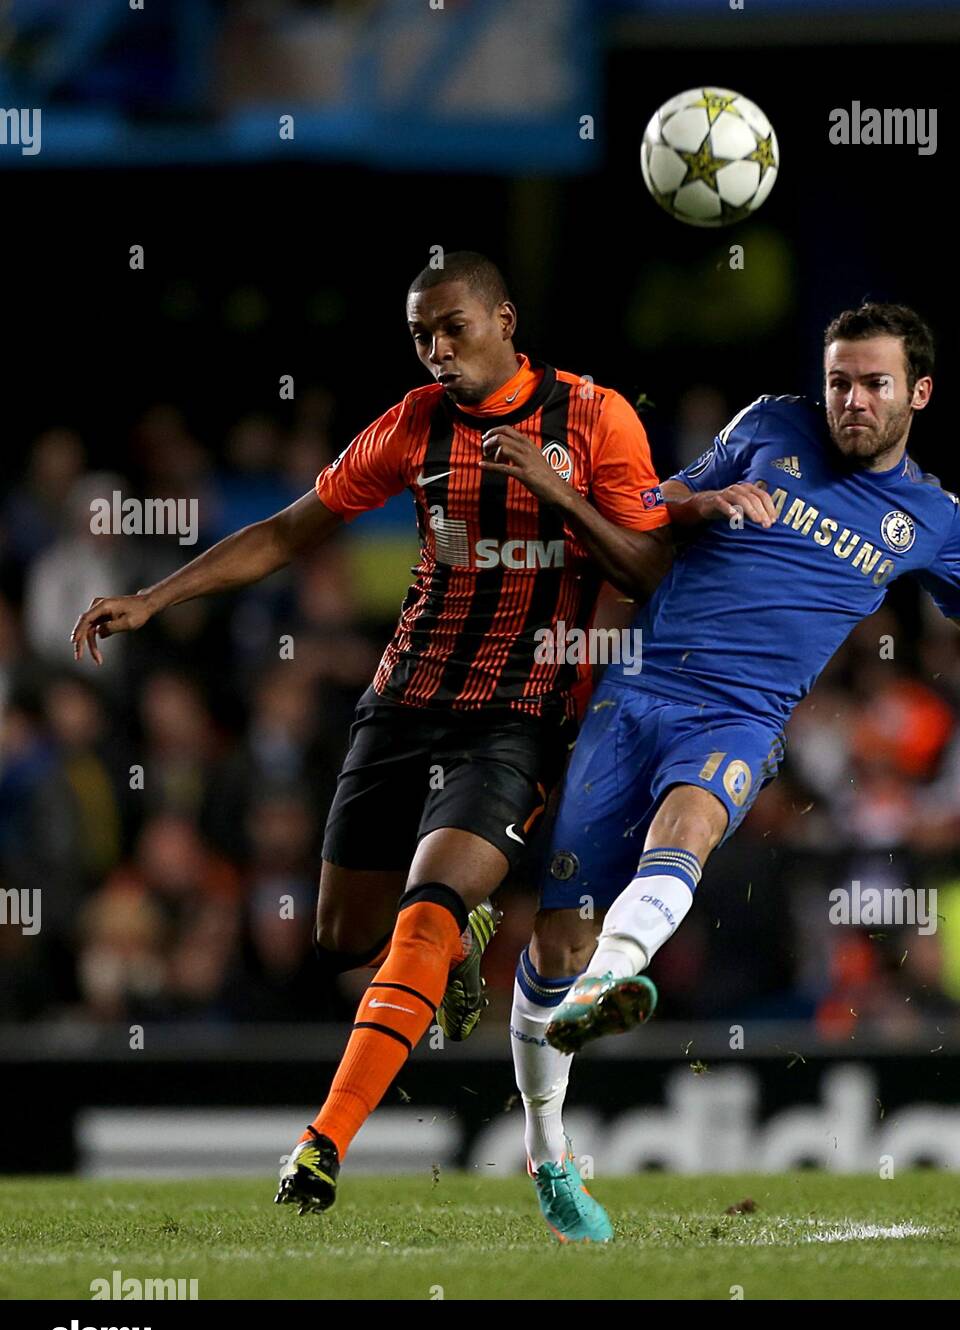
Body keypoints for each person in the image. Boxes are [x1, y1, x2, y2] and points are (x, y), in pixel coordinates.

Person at [70, 251, 671, 1218]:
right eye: (421, 335)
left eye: (453, 328)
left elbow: (647, 567)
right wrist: (156, 594)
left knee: (426, 906)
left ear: (505, 319)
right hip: (401, 701)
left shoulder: (596, 418)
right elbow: (292, 529)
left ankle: (319, 1145)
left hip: (519, 714)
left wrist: (563, 498)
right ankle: (459, 939)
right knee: (345, 935)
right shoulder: (414, 424)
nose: (438, 350)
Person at [510, 302, 960, 1242]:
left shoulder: (929, 518)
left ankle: (614, 979)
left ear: (918, 391)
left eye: (874, 383)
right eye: (840, 381)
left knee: (691, 829)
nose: (852, 400)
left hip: (742, 717)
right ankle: (549, 1154)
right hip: (635, 694)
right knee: (553, 943)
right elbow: (651, 508)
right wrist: (699, 500)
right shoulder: (767, 426)